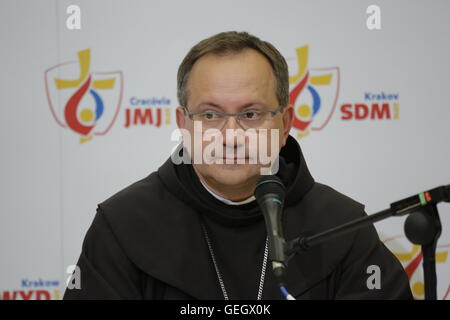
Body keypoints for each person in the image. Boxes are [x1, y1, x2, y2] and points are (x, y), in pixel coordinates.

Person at [63, 31, 413, 300]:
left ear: (285, 123)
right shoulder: (123, 225)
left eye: (250, 114)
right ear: (183, 124)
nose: (231, 136)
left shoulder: (343, 225)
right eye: (210, 114)